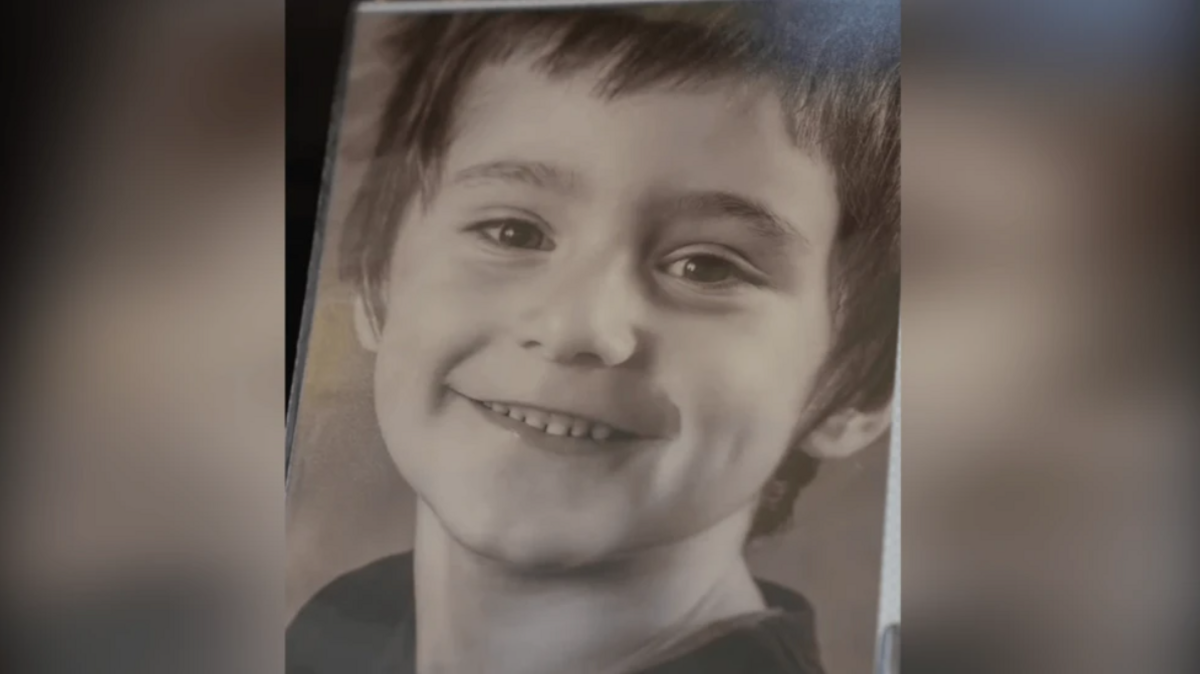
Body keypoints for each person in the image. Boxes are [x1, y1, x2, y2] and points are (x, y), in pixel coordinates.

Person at [288, 3, 898, 673]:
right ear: (377, 282)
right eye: (513, 232)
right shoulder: (334, 630)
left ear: (860, 391)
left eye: (707, 267)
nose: (576, 327)